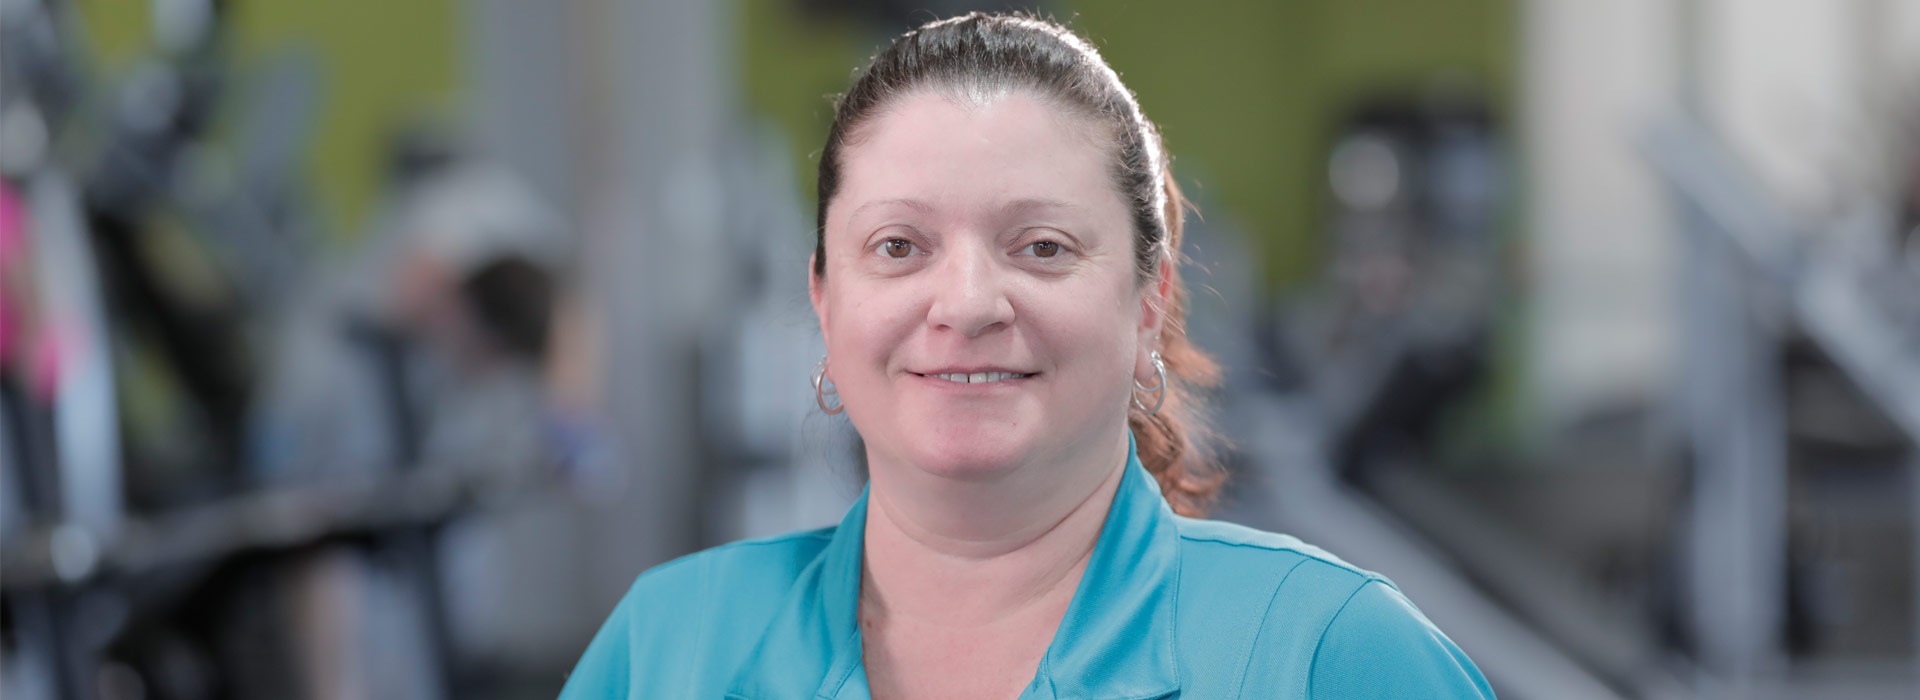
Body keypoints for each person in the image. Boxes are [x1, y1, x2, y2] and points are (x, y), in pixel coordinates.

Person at [559, 12, 1494, 699]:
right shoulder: (669, 645)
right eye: (899, 247)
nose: (965, 305)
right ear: (824, 301)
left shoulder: (1326, 656)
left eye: (1042, 246)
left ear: (1147, 304)